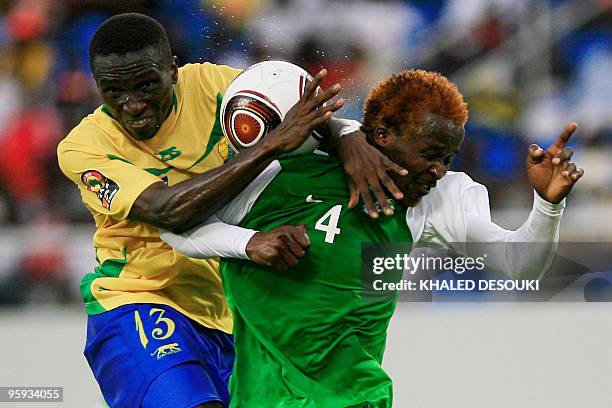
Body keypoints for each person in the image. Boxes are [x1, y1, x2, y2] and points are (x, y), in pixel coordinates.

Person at [161, 69, 584, 407]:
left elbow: (520, 264)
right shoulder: (277, 176)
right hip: (261, 396)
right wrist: (248, 244)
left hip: (356, 397)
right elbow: (174, 227)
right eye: (431, 153)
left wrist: (548, 205)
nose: (438, 170)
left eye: (448, 158)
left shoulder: (434, 202)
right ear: (383, 136)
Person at [56, 13, 405, 408]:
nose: (132, 104)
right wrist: (270, 146)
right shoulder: (84, 147)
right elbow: (169, 212)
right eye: (113, 91)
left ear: (173, 70)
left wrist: (348, 136)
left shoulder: (214, 87)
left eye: (146, 84)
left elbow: (303, 116)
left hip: (231, 315)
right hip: (137, 300)